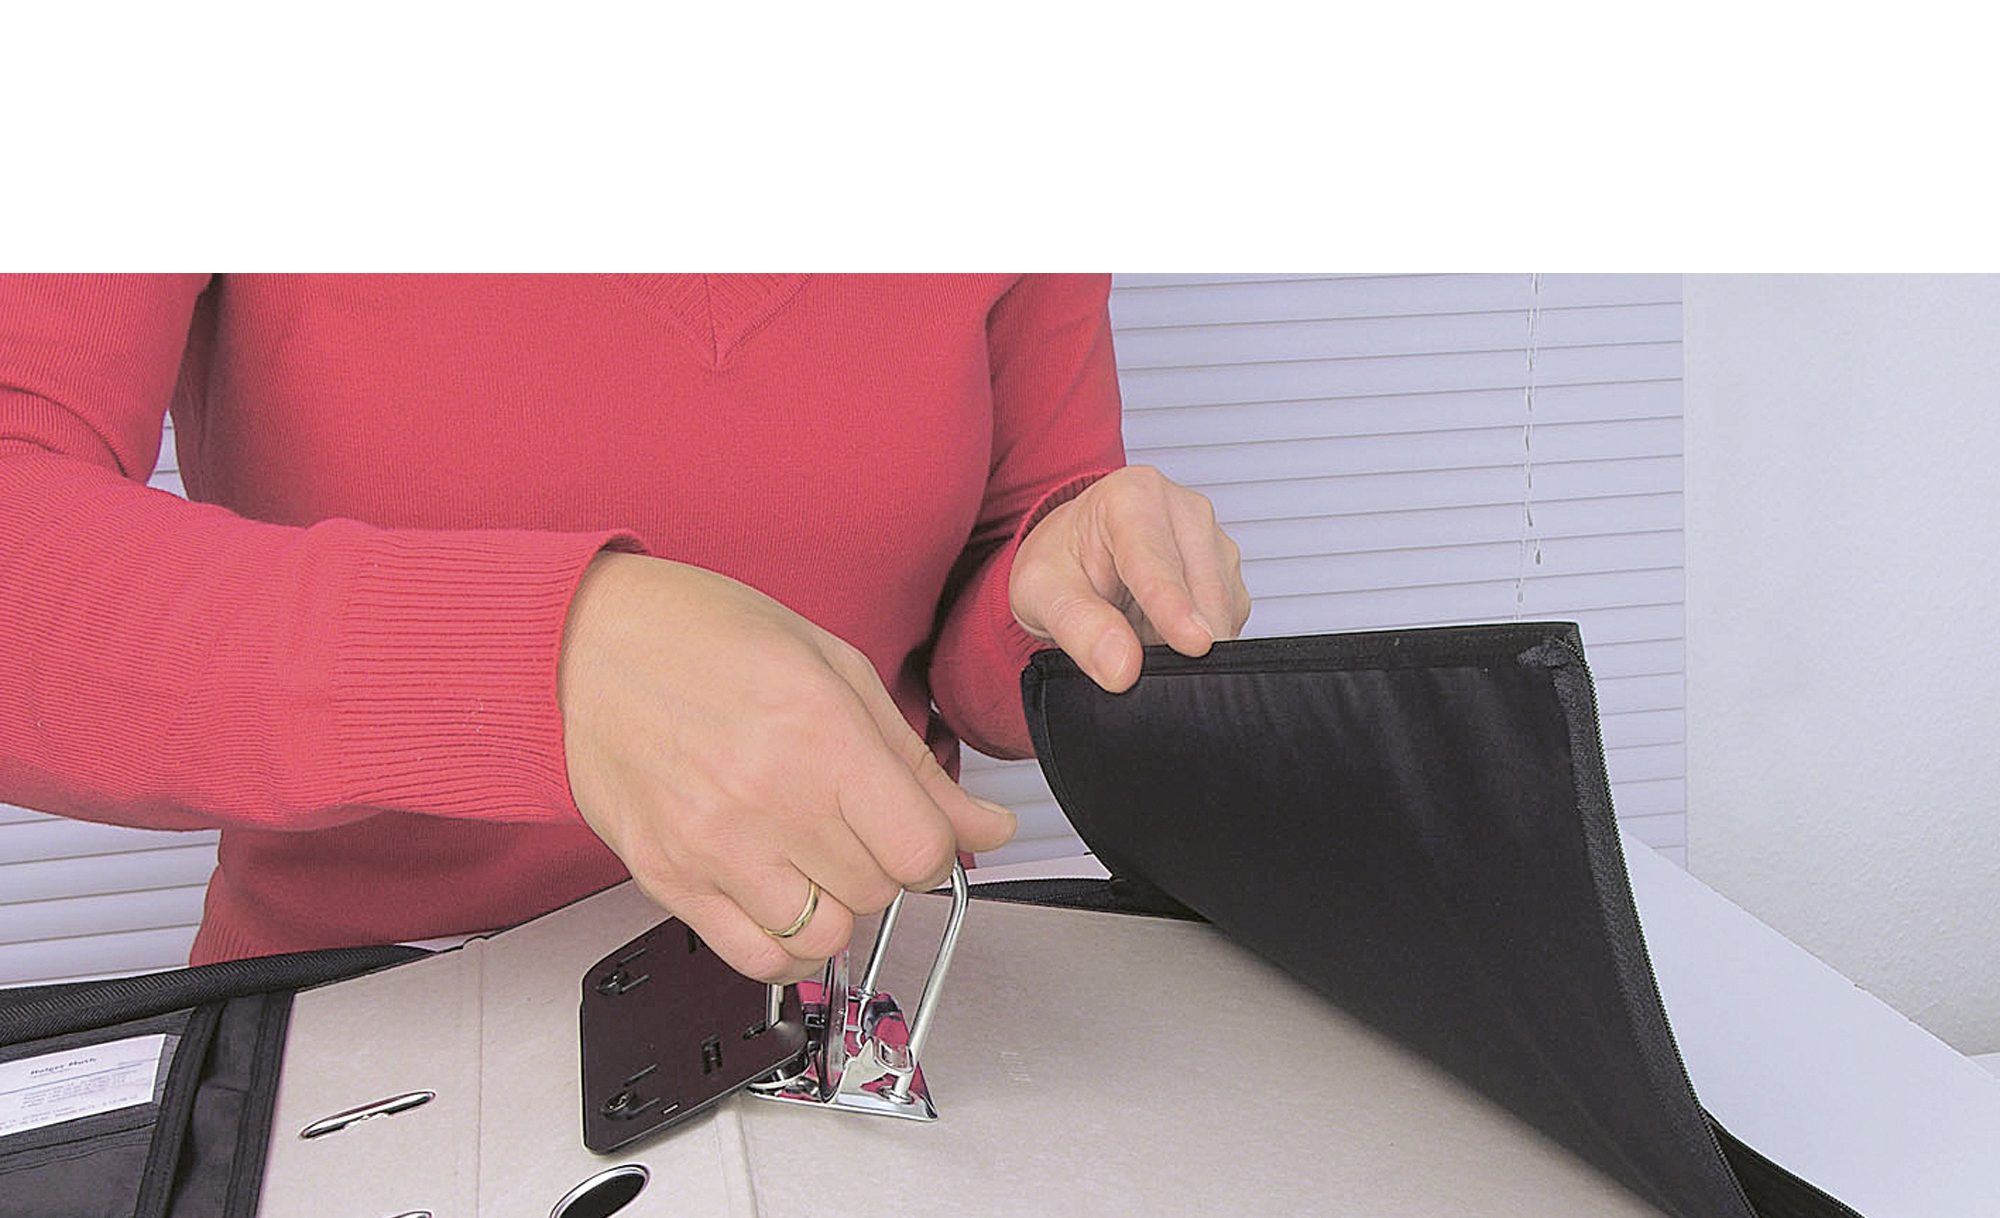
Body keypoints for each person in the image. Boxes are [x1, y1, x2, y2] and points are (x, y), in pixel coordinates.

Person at [0, 273, 1249, 980]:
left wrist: (1062, 593)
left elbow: (999, 574)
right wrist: (544, 661)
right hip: (370, 1032)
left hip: (867, 1018)